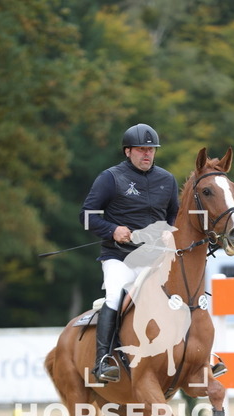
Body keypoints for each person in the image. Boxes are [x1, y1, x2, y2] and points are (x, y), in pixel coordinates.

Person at [79, 123, 180, 383]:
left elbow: (174, 214)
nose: (147, 154)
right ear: (127, 151)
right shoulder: (110, 178)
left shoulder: (167, 180)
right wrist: (112, 230)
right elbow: (87, 216)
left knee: (181, 297)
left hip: (155, 259)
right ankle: (103, 360)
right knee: (115, 296)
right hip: (119, 257)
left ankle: (199, 356)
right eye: (141, 150)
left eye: (151, 150)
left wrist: (171, 230)